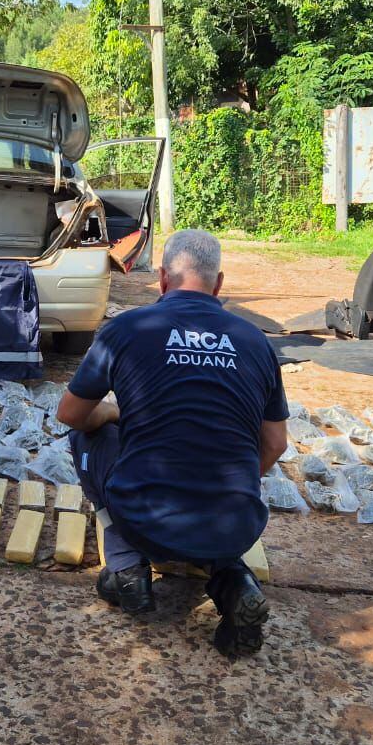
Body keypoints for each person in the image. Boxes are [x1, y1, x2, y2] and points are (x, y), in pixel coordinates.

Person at [56, 229, 290, 658]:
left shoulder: (128, 328)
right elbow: (275, 442)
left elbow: (70, 414)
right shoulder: (256, 342)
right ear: (218, 284)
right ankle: (234, 582)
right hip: (233, 525)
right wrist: (227, 482)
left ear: (162, 278)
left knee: (86, 435)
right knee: (214, 507)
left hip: (146, 517)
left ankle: (127, 567)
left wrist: (110, 412)